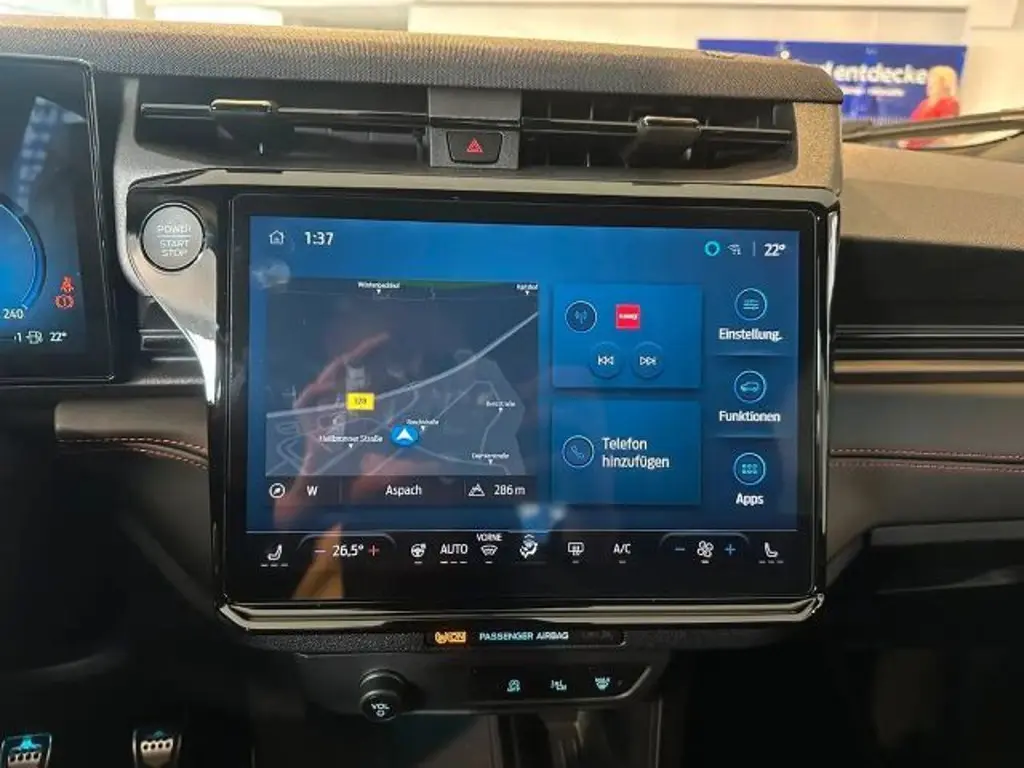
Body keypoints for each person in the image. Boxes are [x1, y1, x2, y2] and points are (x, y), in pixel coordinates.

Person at [903, 65, 960, 149]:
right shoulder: (924, 103)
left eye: (934, 83)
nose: (929, 86)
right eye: (928, 82)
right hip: (911, 149)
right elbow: (911, 125)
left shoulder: (950, 104)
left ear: (945, 85)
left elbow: (946, 135)